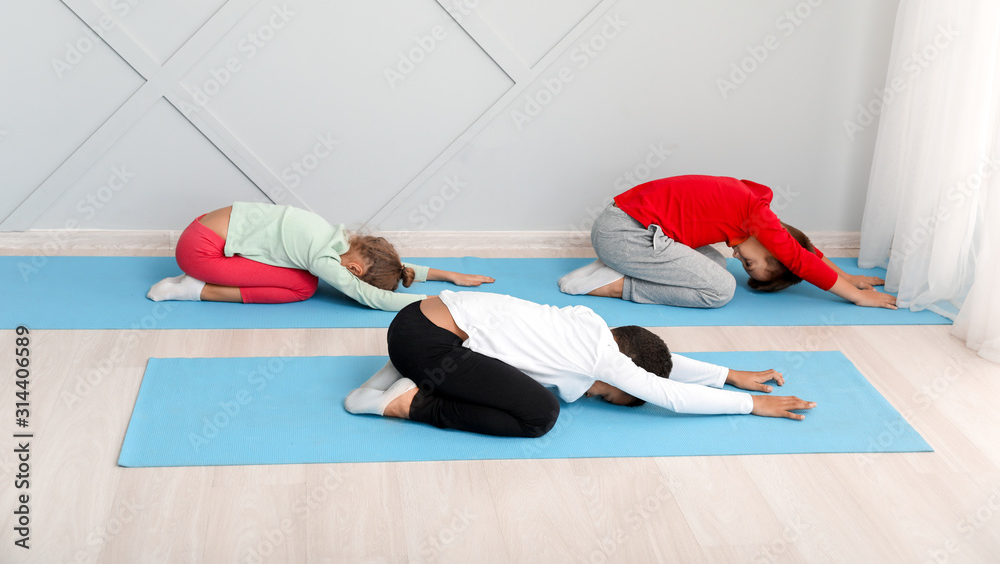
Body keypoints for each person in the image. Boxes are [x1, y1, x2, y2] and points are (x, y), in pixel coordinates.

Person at [344, 291, 815, 438]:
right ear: (615, 370)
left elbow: (659, 366)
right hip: (428, 346)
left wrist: (726, 375)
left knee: (515, 383)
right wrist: (749, 405)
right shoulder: (600, 359)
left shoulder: (591, 327)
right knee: (538, 415)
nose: (597, 394)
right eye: (607, 392)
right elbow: (668, 393)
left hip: (415, 324)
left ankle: (397, 375)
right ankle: (404, 404)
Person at [558, 175, 896, 310]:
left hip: (628, 231)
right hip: (624, 233)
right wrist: (855, 296)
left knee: (715, 265)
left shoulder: (750, 210)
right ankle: (613, 284)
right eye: (749, 262)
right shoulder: (753, 212)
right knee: (720, 290)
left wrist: (850, 277)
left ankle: (613, 265)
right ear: (775, 247)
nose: (737, 255)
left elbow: (806, 254)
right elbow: (800, 259)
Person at [146, 202, 493, 311]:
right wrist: (441, 300)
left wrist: (447, 274)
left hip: (199, 233)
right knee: (303, 288)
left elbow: (394, 268)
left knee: (301, 278)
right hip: (199, 254)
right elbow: (370, 297)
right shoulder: (321, 258)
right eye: (351, 277)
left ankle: (195, 282)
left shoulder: (337, 236)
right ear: (353, 269)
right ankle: (192, 289)